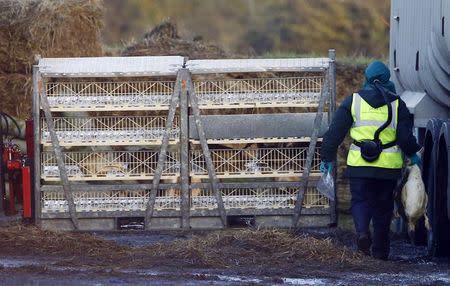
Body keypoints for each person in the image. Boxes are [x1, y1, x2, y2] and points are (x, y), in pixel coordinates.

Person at [320, 60, 421, 260]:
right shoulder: (397, 103)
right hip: (387, 167)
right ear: (387, 79)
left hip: (359, 165)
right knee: (383, 208)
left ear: (366, 77)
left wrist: (327, 158)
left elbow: (334, 134)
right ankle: (381, 252)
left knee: (360, 200)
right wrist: (413, 154)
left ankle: (362, 234)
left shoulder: (353, 101)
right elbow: (404, 137)